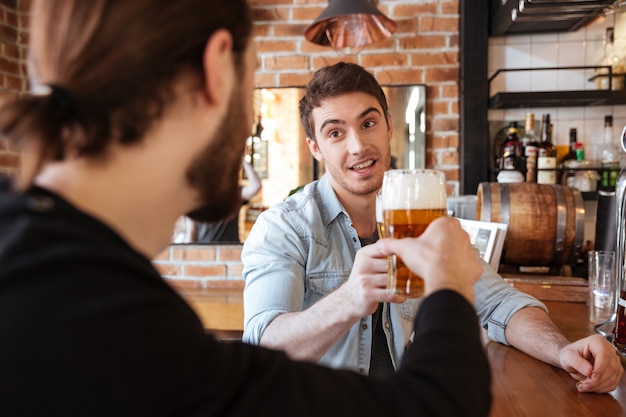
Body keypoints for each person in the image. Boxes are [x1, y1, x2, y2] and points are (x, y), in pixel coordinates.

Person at [0, 1, 492, 416]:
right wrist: (447, 281)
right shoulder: (118, 329)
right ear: (217, 69)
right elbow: (438, 405)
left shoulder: (47, 267)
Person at [242, 62, 624, 392]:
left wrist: (562, 350)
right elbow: (262, 350)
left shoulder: (424, 217)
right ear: (315, 147)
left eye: (368, 122)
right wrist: (349, 299)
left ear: (389, 126)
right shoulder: (284, 227)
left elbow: (498, 302)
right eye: (335, 132)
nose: (358, 146)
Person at [194, 157, 262, 243]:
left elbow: (256, 186)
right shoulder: (199, 194)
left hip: (228, 248)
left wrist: (242, 158)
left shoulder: (232, 192)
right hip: (205, 249)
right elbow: (191, 230)